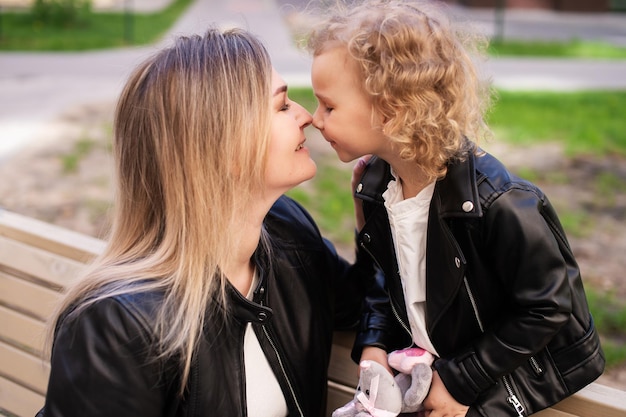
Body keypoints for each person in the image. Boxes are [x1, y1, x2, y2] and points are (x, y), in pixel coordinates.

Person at [37, 27, 372, 417]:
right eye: (282, 107)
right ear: (226, 147)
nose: (306, 117)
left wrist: (374, 220)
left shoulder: (287, 232)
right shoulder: (117, 325)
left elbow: (362, 306)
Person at [305, 1, 605, 416]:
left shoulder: (499, 204)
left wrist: (458, 381)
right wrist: (374, 345)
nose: (315, 119)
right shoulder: (376, 187)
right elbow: (385, 276)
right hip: (435, 370)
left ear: (390, 110)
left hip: (512, 376)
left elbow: (549, 307)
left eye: (329, 106)